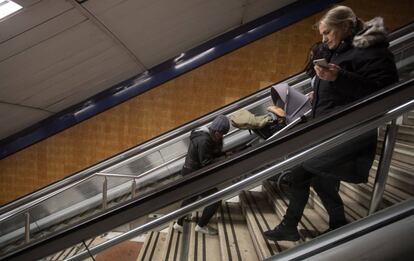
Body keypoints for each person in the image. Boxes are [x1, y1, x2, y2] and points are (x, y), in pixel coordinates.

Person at [264, 5, 398, 241]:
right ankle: (337, 224)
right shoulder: (339, 49)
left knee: (300, 172)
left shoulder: (372, 50)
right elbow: (338, 88)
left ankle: (290, 226)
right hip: (329, 128)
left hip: (349, 133)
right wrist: (318, 91)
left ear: (346, 26)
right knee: (322, 181)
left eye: (328, 33)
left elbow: (385, 92)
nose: (324, 40)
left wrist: (339, 77)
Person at [173, 115, 230, 235]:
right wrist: (224, 159)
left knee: (191, 198)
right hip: (195, 175)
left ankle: (178, 223)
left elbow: (209, 155)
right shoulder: (204, 140)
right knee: (216, 199)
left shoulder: (205, 135)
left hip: (190, 172)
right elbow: (206, 162)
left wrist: (224, 154)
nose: (222, 136)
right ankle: (201, 226)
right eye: (222, 133)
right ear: (216, 131)